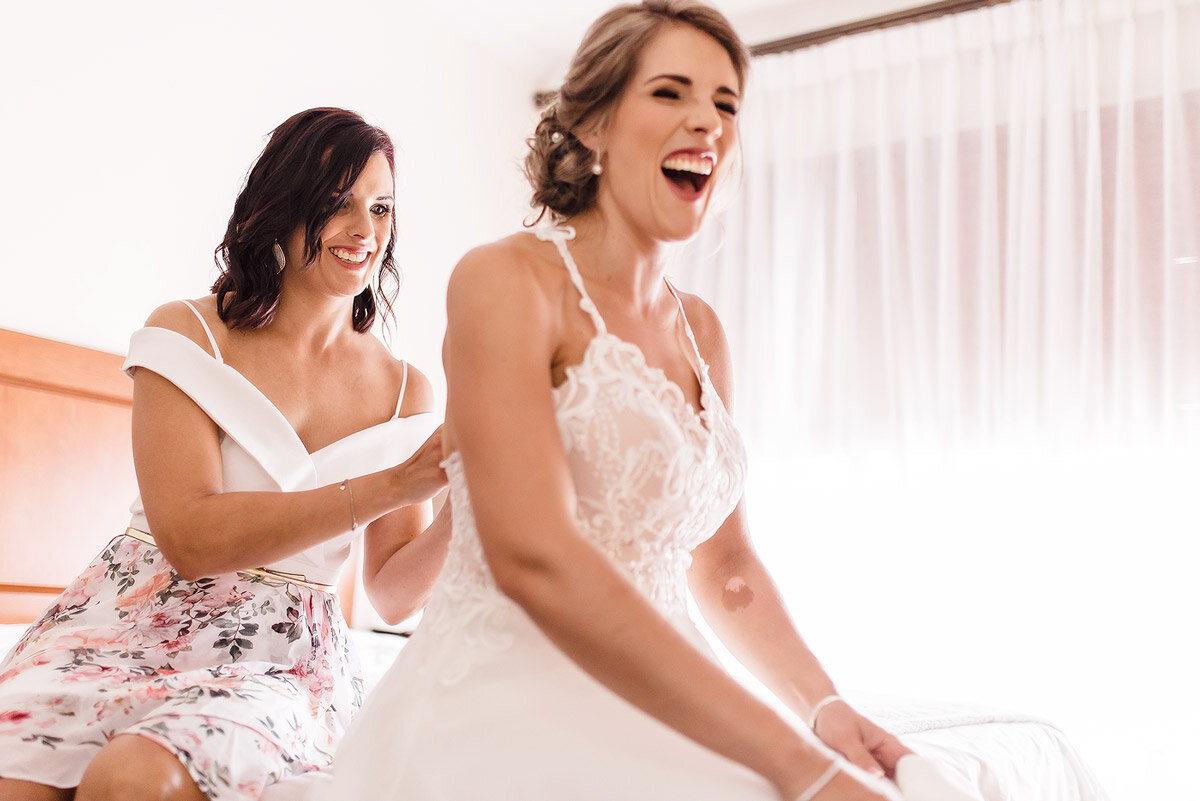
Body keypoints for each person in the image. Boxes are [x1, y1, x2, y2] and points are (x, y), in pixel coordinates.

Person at [301, 5, 981, 801]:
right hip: (513, 693)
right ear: (592, 124)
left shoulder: (703, 333)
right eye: (671, 92)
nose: (708, 121)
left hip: (669, 685)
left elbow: (725, 567)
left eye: (727, 104)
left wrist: (825, 710)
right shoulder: (505, 282)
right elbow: (535, 560)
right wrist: (797, 764)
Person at [0, 107, 449, 801]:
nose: (366, 231)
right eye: (339, 204)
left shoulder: (405, 393)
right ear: (284, 206)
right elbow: (190, 538)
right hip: (126, 618)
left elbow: (392, 592)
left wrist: (472, 499)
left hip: (280, 659)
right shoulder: (187, 334)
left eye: (382, 207)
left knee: (134, 778)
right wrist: (391, 484)